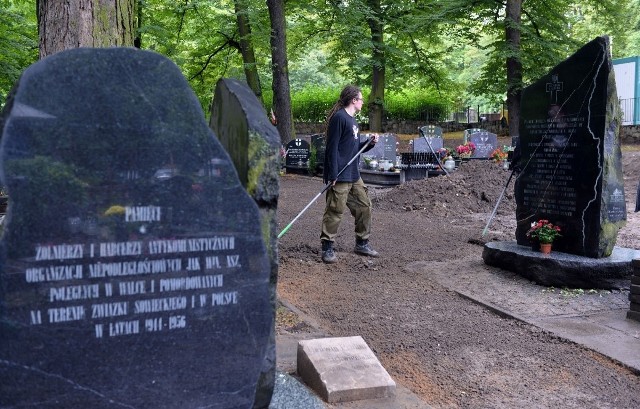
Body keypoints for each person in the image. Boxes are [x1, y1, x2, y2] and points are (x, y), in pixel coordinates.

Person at [320, 85, 379, 264]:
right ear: (353, 100)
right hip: (340, 174)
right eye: (361, 99)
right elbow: (332, 148)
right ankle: (327, 248)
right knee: (335, 210)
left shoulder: (353, 121)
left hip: (354, 174)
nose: (362, 102)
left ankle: (362, 243)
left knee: (364, 206)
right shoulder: (339, 118)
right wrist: (332, 173)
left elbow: (354, 148)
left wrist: (370, 143)